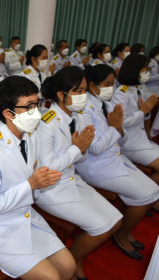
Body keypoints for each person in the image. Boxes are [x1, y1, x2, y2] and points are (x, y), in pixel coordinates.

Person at [0, 76, 76, 280]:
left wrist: (39, 183)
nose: (36, 112)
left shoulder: (29, 134)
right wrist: (31, 184)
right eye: (29, 106)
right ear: (8, 113)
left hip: (23, 216)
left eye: (37, 103)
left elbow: (34, 179)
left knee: (69, 267)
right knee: (52, 277)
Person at [37, 66, 122, 279]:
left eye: (84, 90)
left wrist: (80, 149)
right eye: (78, 91)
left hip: (73, 179)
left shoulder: (80, 116)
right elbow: (46, 169)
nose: (83, 96)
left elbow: (81, 157)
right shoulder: (47, 122)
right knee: (102, 227)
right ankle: (71, 265)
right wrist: (76, 149)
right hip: (52, 189)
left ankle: (75, 260)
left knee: (115, 219)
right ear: (61, 94)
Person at [76, 64, 159, 260]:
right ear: (93, 85)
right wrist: (115, 129)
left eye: (113, 84)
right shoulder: (84, 110)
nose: (111, 88)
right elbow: (94, 147)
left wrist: (118, 129)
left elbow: (123, 139)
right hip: (95, 165)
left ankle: (124, 232)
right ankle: (121, 235)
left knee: (152, 190)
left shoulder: (106, 104)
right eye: (107, 84)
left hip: (114, 157)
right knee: (147, 194)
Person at [111, 54, 159, 191]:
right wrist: (142, 112)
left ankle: (152, 197)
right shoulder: (122, 92)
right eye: (144, 69)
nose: (147, 72)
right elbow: (120, 122)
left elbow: (141, 114)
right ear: (135, 70)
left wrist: (146, 111)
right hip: (129, 143)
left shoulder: (138, 88)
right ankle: (151, 197)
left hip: (141, 140)